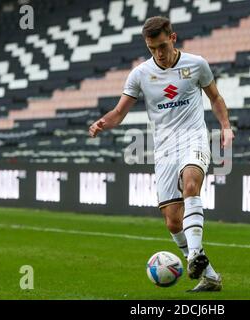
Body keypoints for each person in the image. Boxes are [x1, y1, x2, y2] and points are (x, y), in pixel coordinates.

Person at [89, 16, 234, 292]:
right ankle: (210, 276)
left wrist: (225, 127)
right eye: (152, 48)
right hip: (164, 148)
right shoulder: (140, 74)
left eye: (163, 46)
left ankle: (193, 256)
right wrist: (102, 123)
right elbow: (119, 112)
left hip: (193, 137)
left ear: (173, 38)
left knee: (191, 184)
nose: (159, 53)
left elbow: (215, 97)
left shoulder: (196, 64)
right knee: (172, 221)